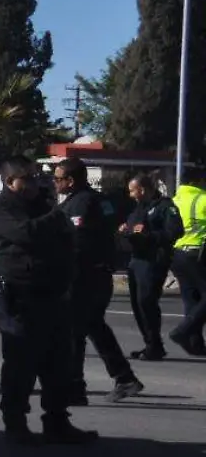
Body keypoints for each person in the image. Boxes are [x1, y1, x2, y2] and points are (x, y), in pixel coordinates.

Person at [0, 157, 95, 445]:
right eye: (27, 178)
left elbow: (68, 239)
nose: (35, 183)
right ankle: (15, 423)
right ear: (10, 182)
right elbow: (27, 233)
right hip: (18, 297)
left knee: (58, 360)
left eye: (36, 177)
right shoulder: (1, 210)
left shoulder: (43, 206)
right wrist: (56, 217)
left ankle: (57, 421)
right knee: (21, 362)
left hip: (53, 294)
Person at [52, 157, 141, 403]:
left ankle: (76, 387)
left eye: (58, 178)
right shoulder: (100, 200)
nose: (55, 183)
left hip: (84, 277)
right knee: (93, 327)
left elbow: (77, 243)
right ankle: (123, 378)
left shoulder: (82, 204)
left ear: (70, 180)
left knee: (75, 332)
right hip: (98, 275)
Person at [120, 173, 181, 360]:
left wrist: (149, 234)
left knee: (147, 301)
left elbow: (175, 231)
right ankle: (151, 344)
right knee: (138, 304)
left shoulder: (165, 207)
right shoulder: (139, 208)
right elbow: (133, 227)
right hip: (136, 259)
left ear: (143, 189)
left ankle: (154, 345)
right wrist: (126, 230)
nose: (130, 195)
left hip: (153, 260)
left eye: (133, 191)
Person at [169, 165, 206, 357]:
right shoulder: (203, 199)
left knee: (191, 298)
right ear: (197, 180)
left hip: (177, 254)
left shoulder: (174, 200)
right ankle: (182, 331)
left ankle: (195, 344)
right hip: (198, 252)